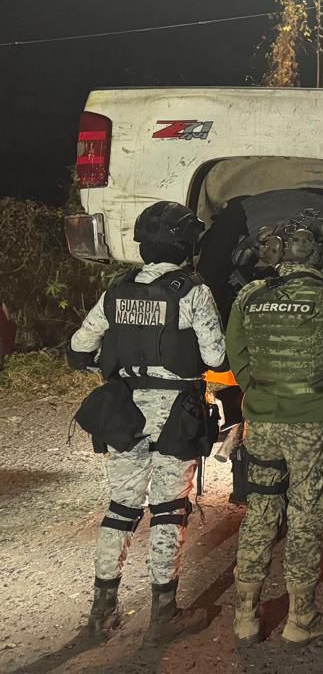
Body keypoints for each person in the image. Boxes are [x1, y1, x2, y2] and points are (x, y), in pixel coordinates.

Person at [68, 201, 224, 644]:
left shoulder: (117, 290)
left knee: (121, 507)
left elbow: (79, 348)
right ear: (186, 246)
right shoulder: (192, 291)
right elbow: (216, 357)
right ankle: (163, 615)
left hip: (125, 410)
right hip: (175, 414)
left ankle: (101, 614)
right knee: (169, 508)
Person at [225, 212, 323, 648]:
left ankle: (245, 616)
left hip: (263, 424)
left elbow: (237, 357)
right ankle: (301, 618)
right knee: (306, 519)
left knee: (260, 511)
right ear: (318, 253)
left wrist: (262, 394)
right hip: (313, 426)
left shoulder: (249, 296)